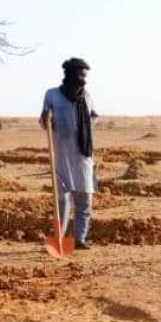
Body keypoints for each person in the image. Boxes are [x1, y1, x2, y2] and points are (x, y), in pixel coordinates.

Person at [40, 58, 97, 249]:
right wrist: (46, 117)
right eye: (80, 75)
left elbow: (92, 118)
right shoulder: (53, 95)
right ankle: (60, 238)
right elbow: (44, 121)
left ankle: (79, 239)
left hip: (83, 157)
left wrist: (93, 121)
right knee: (62, 200)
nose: (83, 79)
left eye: (85, 76)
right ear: (70, 75)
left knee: (84, 201)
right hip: (61, 156)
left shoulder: (87, 97)